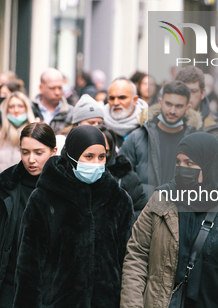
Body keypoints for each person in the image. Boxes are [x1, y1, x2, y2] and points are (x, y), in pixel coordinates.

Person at [120, 132, 218, 308]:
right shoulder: (161, 202)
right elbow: (136, 258)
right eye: (178, 162)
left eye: (189, 163)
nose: (182, 168)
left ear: (209, 165)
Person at [13, 125, 133, 307]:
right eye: (89, 156)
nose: (96, 163)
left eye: (101, 157)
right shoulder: (44, 198)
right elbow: (29, 265)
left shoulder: (118, 199)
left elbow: (127, 259)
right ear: (72, 155)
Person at [0, 122, 56, 308]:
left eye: (39, 153)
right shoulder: (4, 189)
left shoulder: (65, 189)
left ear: (53, 151)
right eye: (25, 152)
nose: (31, 159)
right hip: (7, 291)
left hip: (50, 294)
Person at [120, 81, 201, 199]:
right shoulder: (137, 138)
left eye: (178, 106)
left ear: (187, 108)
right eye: (168, 104)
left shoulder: (197, 142)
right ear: (160, 103)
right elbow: (120, 179)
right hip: (143, 213)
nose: (172, 111)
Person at [99, 125, 146, 213]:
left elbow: (140, 211)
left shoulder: (125, 176)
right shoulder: (75, 174)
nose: (98, 158)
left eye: (104, 152)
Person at [176, 66, 218, 133]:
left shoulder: (217, 128)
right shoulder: (160, 125)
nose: (188, 96)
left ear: (202, 93)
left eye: (193, 91)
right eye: (183, 91)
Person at [103, 78, 148, 147]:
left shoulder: (149, 125)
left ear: (135, 100)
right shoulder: (99, 123)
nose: (116, 103)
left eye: (122, 97)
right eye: (112, 98)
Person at [34, 68, 74, 133]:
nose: (57, 92)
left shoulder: (71, 113)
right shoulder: (29, 109)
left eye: (60, 88)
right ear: (41, 88)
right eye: (52, 88)